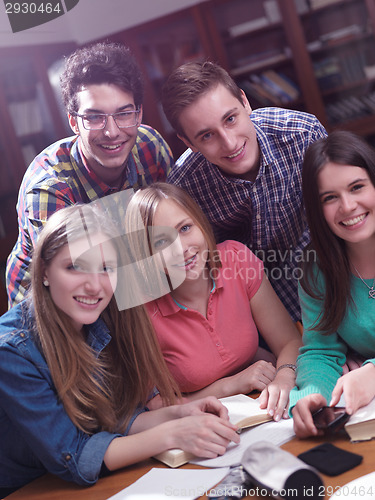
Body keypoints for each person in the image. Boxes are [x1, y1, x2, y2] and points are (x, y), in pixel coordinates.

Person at [0, 203, 239, 496]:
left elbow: (118, 417)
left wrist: (179, 414)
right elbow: (73, 456)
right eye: (75, 266)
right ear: (44, 272)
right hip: (25, 489)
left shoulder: (109, 316)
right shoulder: (12, 350)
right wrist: (173, 434)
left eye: (106, 269)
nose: (94, 286)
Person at [6, 41, 173, 307]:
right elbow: (81, 285)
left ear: (139, 113)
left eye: (124, 113)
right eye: (94, 117)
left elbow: (172, 234)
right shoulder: (50, 189)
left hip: (132, 283)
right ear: (73, 121)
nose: (112, 132)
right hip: (53, 310)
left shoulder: (150, 147)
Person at [162, 61, 327, 323]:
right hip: (251, 317)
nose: (229, 143)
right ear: (187, 142)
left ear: (245, 102)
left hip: (330, 285)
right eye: (206, 136)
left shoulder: (302, 134)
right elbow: (199, 281)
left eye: (230, 119)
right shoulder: (183, 189)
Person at [125, 182, 302, 421]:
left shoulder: (235, 258)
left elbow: (289, 340)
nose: (181, 249)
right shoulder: (140, 311)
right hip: (198, 421)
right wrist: (230, 385)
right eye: (161, 243)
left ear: (200, 223)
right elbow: (154, 405)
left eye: (185, 228)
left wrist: (283, 378)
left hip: (259, 404)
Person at [288, 130, 375, 438]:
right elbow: (320, 350)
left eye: (357, 187)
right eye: (330, 198)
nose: (348, 206)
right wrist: (311, 396)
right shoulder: (315, 269)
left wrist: (372, 372)